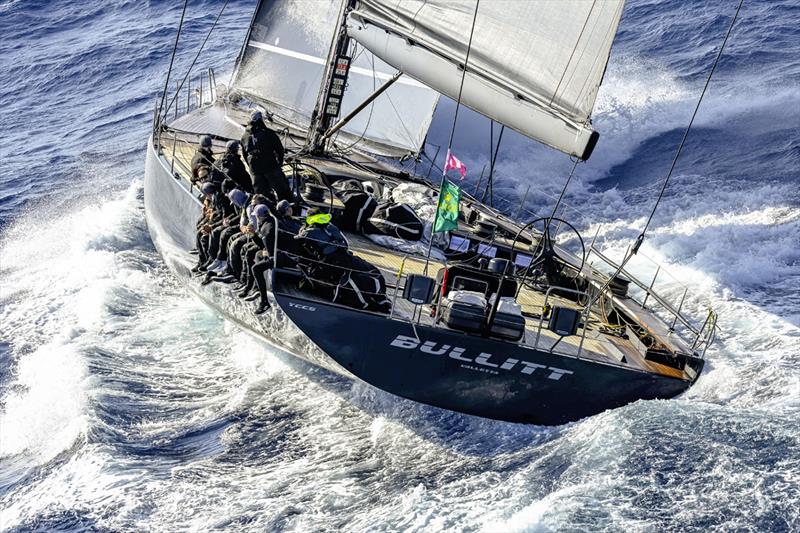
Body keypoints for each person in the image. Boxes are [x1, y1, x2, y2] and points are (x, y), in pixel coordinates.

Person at [247, 200, 302, 314]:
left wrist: (255, 237)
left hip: (284, 258)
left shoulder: (266, 228)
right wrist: (254, 236)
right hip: (289, 254)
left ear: (259, 217)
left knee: (256, 268)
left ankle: (264, 301)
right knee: (258, 255)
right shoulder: (274, 221)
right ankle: (260, 286)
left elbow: (268, 250)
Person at [241, 110, 290, 202]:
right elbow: (280, 149)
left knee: (261, 195)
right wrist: (279, 162)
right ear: (261, 120)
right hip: (270, 166)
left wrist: (252, 168)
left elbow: (244, 155)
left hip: (255, 170)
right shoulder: (269, 133)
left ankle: (265, 209)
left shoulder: (244, 136)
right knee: (283, 190)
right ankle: (288, 209)